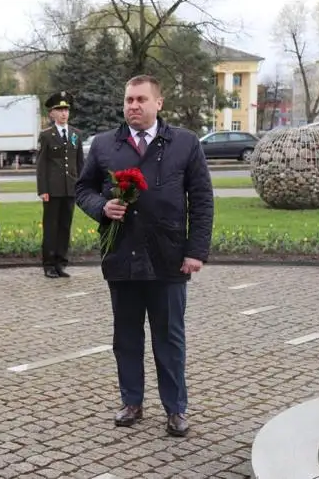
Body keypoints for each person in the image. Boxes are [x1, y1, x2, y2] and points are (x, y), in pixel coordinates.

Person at [75, 75, 214, 437]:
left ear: (158, 103)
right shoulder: (106, 145)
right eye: (128, 100)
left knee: (169, 339)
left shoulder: (184, 144)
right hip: (121, 257)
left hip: (168, 259)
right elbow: (83, 188)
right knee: (126, 338)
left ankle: (176, 409)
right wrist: (101, 206)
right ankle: (132, 402)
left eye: (140, 99)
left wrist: (195, 251)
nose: (133, 106)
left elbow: (201, 200)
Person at [36, 91, 84, 279]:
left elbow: (80, 163)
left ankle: (61, 262)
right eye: (60, 110)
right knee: (51, 227)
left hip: (70, 188)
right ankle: (48, 263)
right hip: (52, 190)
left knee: (65, 226)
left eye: (66, 110)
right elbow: (41, 165)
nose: (64, 113)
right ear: (52, 114)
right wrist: (43, 189)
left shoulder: (75, 134)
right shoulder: (47, 135)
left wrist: (82, 186)